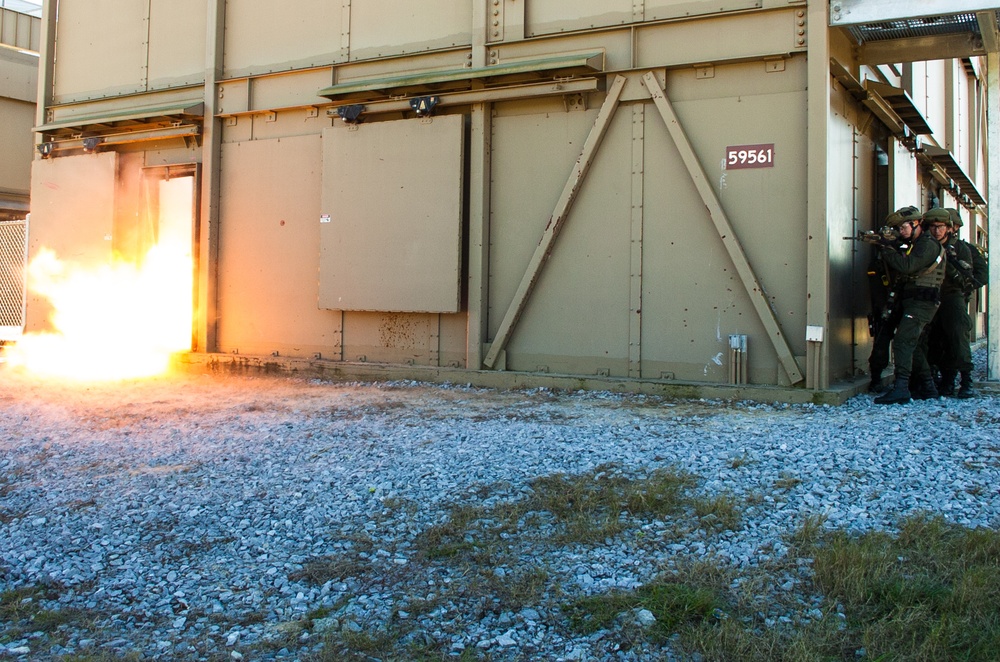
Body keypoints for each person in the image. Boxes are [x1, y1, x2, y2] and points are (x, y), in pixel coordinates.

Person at [872, 208, 947, 405]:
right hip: (914, 301)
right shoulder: (915, 244)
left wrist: (886, 249)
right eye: (898, 228)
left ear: (916, 224)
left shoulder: (927, 244)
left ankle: (901, 388)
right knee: (915, 345)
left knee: (903, 341)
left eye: (903, 227)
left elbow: (907, 266)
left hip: (922, 302)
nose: (901, 231)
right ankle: (929, 387)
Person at [934, 208, 988, 398]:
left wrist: (965, 288)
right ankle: (944, 380)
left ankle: (966, 380)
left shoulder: (965, 249)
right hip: (933, 298)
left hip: (954, 296)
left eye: (945, 226)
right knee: (936, 341)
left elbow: (981, 275)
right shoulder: (930, 246)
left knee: (957, 338)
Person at [865, 207, 919, 393]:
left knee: (910, 340)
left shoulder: (912, 246)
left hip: (908, 299)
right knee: (882, 337)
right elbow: (876, 277)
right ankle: (876, 377)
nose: (899, 232)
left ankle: (911, 379)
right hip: (888, 299)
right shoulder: (885, 252)